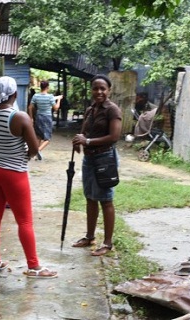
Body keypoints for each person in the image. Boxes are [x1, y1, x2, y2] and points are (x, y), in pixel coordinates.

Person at [0, 76, 57, 278]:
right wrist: (22, 155)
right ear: (15, 94)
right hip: (13, 172)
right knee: (24, 221)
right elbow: (33, 149)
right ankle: (34, 267)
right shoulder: (20, 117)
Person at [71, 74, 122, 256]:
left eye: (103, 88)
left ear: (109, 90)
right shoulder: (91, 109)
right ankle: (90, 236)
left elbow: (114, 137)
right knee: (90, 198)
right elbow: (84, 130)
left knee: (106, 200)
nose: (99, 91)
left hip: (105, 158)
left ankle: (107, 243)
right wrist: (79, 140)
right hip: (89, 159)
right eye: (95, 88)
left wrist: (88, 141)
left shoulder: (112, 110)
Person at [28, 81, 62, 160]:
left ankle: (34, 155)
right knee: (48, 138)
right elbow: (56, 108)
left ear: (40, 87)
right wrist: (59, 99)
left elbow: (30, 107)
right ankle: (38, 150)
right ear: (47, 87)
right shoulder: (50, 96)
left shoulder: (36, 96)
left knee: (38, 136)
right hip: (47, 117)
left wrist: (31, 118)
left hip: (38, 117)